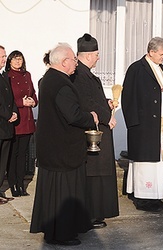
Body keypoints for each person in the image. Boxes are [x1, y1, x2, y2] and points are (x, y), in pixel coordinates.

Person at [30, 43, 99, 246]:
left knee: (52, 193)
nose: (76, 64)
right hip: (63, 150)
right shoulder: (61, 83)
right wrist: (91, 117)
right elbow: (73, 115)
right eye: (74, 60)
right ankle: (62, 233)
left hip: (52, 148)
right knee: (63, 194)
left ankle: (54, 231)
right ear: (64, 62)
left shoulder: (49, 79)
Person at [121, 37, 163, 212]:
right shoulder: (137, 69)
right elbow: (134, 97)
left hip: (161, 126)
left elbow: (162, 90)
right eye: (162, 54)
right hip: (145, 126)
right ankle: (143, 198)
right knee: (146, 164)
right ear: (151, 52)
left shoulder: (161, 68)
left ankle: (156, 196)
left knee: (160, 163)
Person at [70, 33, 119, 228]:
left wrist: (107, 103)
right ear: (89, 54)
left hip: (101, 128)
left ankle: (98, 212)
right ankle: (90, 214)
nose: (98, 58)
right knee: (94, 172)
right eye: (97, 54)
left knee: (100, 171)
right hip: (93, 131)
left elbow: (96, 100)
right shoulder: (79, 75)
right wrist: (108, 117)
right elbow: (87, 102)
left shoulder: (89, 75)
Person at [5, 50, 38, 197]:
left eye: (20, 59)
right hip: (15, 120)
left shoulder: (27, 75)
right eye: (15, 59)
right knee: (14, 155)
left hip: (27, 119)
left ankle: (21, 184)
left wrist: (32, 101)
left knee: (23, 155)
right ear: (10, 61)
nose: (18, 62)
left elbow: (33, 94)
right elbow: (6, 99)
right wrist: (20, 102)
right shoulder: (7, 77)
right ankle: (13, 185)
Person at [0, 45, 18, 205]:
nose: (4, 59)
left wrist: (14, 113)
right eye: (2, 56)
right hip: (1, 123)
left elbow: (10, 98)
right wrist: (7, 115)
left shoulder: (4, 76)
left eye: (5, 56)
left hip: (6, 127)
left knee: (3, 161)